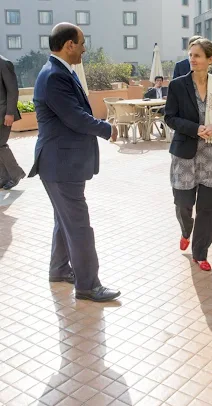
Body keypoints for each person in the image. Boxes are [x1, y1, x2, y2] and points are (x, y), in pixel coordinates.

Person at [29, 22, 120, 302]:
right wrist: (107, 129)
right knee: (79, 225)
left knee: (64, 219)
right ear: (69, 45)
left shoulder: (58, 72)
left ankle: (59, 269)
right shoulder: (55, 76)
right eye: (81, 43)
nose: (84, 49)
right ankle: (88, 285)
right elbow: (75, 117)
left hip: (60, 163)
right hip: (60, 165)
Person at [165, 38, 212, 272]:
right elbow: (170, 117)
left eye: (197, 55)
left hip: (211, 153)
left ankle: (201, 252)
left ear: (210, 60)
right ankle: (185, 230)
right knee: (183, 203)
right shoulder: (177, 85)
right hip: (185, 153)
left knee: (207, 207)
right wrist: (195, 128)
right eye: (190, 54)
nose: (192, 59)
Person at [0, 55, 26, 190]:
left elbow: (12, 90)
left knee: (0, 144)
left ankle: (16, 173)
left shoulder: (4, 63)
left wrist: (10, 113)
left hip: (4, 113)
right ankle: (4, 177)